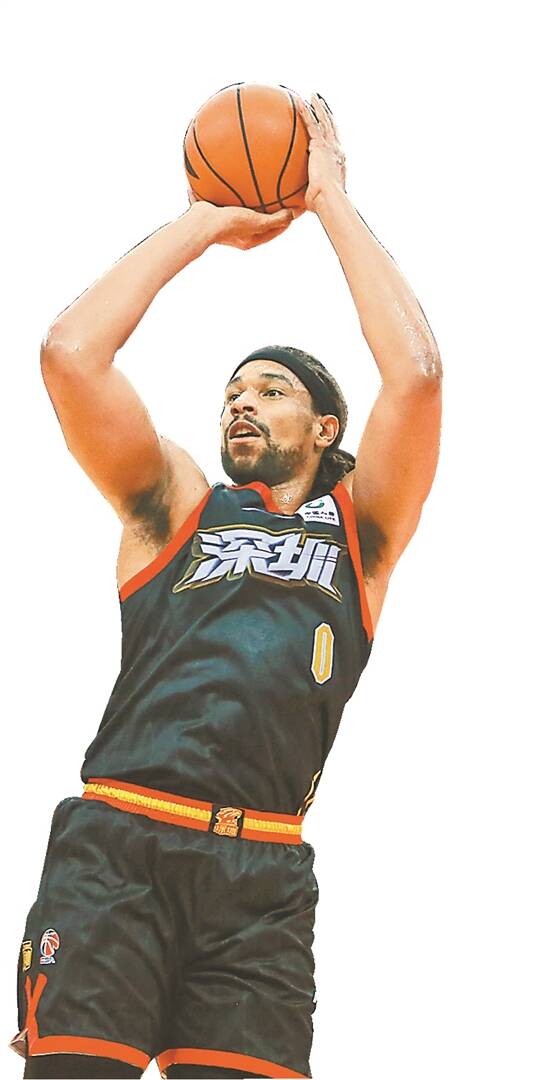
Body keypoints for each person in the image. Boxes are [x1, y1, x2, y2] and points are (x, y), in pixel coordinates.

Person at [11, 92, 443, 1079]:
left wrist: (328, 197)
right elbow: (69, 355)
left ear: (326, 428)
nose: (241, 402)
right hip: (117, 846)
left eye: (270, 389)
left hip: (263, 875)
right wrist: (204, 220)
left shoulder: (362, 534)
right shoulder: (175, 508)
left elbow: (416, 377)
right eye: (231, 392)